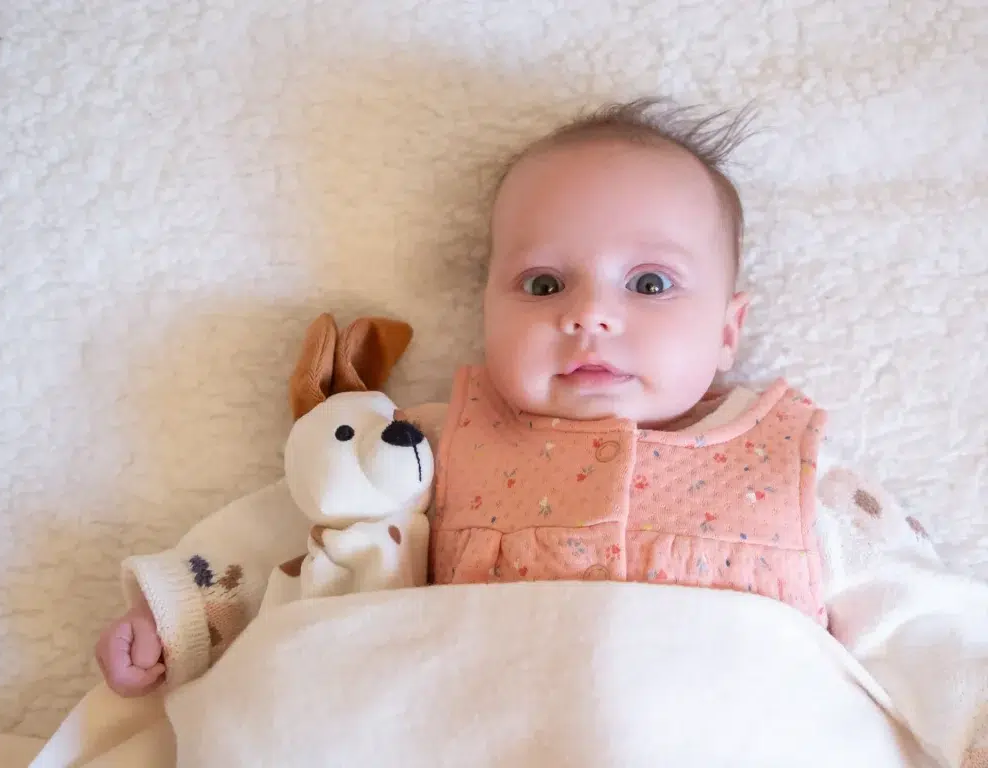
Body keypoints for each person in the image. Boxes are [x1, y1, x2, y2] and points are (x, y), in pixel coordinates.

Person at [95, 98, 939, 698]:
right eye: (542, 284)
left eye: (649, 283)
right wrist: (180, 614)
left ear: (728, 329)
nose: (589, 314)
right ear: (485, 312)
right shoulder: (431, 446)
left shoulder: (794, 469)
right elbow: (311, 529)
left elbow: (920, 617)